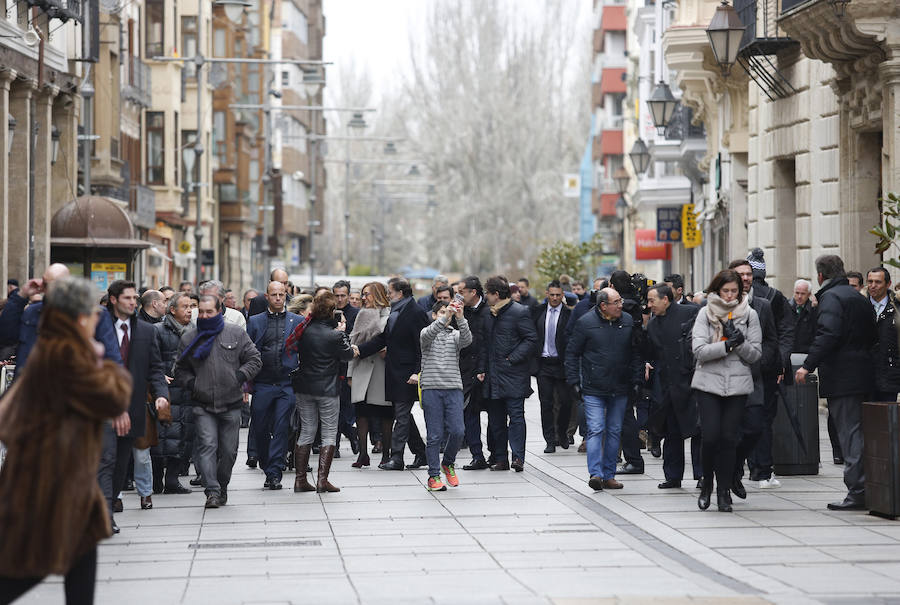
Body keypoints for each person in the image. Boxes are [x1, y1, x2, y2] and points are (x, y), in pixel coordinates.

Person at [0, 277, 130, 605]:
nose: (98, 318)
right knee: (27, 569)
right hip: (52, 483)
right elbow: (114, 396)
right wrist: (104, 365)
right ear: (80, 317)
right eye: (92, 312)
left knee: (79, 561)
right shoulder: (69, 354)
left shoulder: (51, 349)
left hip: (63, 480)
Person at [796, 255, 875, 511]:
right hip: (864, 373)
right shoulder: (859, 298)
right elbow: (872, 334)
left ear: (820, 276)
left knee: (849, 432)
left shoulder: (831, 298)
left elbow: (828, 334)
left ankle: (858, 491)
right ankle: (866, 487)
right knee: (861, 432)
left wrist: (808, 365)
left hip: (843, 376)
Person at [175, 295, 261, 508]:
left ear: (219, 311)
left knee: (229, 452)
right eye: (201, 312)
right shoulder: (189, 337)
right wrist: (194, 384)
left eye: (209, 312)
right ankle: (212, 491)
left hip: (231, 404)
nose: (204, 316)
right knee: (207, 446)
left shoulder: (235, 333)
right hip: (202, 404)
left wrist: (240, 376)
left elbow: (254, 359)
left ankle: (222, 485)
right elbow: (180, 370)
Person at [98, 280, 169, 525]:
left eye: (135, 298)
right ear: (114, 300)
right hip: (104, 407)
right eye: (127, 298)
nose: (132, 302)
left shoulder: (146, 331)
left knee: (120, 462)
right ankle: (105, 512)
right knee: (106, 459)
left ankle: (109, 503)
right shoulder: (98, 325)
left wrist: (161, 394)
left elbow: (155, 368)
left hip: (134, 407)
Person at [692, 269, 762, 513]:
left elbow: (755, 354)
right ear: (717, 290)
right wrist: (725, 344)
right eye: (726, 291)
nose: (731, 295)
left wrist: (740, 343)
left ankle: (724, 491)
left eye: (735, 291)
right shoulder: (705, 313)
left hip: (737, 384)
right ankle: (706, 484)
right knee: (710, 436)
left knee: (729, 439)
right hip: (708, 383)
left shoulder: (750, 314)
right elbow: (699, 350)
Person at [566, 288, 642, 491]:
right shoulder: (585, 323)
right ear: (603, 306)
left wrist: (636, 379)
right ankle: (596, 474)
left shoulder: (626, 321)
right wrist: (573, 381)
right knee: (596, 429)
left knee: (615, 431)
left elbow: (636, 353)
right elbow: (572, 353)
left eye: (621, 300)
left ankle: (609, 475)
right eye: (616, 302)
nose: (621, 305)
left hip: (620, 387)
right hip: (593, 388)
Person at [354, 279, 430, 471]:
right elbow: (383, 339)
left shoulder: (415, 312)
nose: (388, 295)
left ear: (401, 293)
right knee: (401, 413)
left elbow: (422, 345)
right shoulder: (397, 311)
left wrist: (417, 371)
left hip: (406, 373)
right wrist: (359, 350)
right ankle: (421, 453)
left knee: (402, 416)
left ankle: (397, 457)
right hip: (394, 372)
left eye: (390, 292)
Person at [0, 263, 121, 376]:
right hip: (32, 388)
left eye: (53, 285)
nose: (48, 290)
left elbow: (112, 361)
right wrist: (21, 295)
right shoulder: (33, 312)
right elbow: (7, 335)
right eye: (45, 284)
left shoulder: (93, 314)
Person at [729, 259, 784, 492]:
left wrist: (763, 360)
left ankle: (761, 469)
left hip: (756, 375)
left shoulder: (763, 305)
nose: (746, 278)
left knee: (756, 426)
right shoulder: (719, 305)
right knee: (731, 428)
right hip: (728, 378)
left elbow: (772, 338)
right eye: (740, 274)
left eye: (749, 274)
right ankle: (733, 473)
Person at [292, 291, 355, 493]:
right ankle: (322, 480)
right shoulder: (335, 335)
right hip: (327, 388)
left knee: (307, 431)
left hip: (304, 387)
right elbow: (347, 355)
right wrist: (343, 332)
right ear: (331, 312)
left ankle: (300, 480)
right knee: (328, 433)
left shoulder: (303, 330)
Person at [246, 281, 304, 490]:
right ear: (267, 296)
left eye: (281, 294)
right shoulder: (254, 321)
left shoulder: (297, 320)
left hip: (286, 383)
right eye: (274, 295)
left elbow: (303, 349)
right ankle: (265, 462)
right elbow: (247, 352)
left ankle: (275, 472)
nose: (278, 298)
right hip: (262, 383)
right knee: (260, 426)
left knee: (281, 427)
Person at [645, 284, 702, 489]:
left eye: (652, 300)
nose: (649, 305)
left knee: (698, 431)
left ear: (666, 299)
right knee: (671, 432)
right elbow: (652, 352)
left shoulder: (690, 313)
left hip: (692, 382)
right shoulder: (652, 325)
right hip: (668, 385)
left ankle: (702, 474)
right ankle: (673, 475)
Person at [482, 276, 537, 472]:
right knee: (496, 420)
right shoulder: (488, 314)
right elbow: (484, 345)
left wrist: (512, 358)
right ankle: (500, 458)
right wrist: (482, 369)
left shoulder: (519, 312)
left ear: (496, 295)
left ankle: (518, 457)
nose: (486, 297)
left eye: (487, 293)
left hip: (514, 375)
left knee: (516, 417)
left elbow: (531, 339)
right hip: (493, 377)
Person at [419, 299, 472, 491]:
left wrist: (461, 317)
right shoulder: (426, 334)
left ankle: (448, 463)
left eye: (446, 312)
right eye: (440, 312)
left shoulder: (455, 335)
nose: (445, 315)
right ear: (433, 315)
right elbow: (430, 333)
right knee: (434, 435)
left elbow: (467, 340)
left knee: (458, 431)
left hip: (453, 388)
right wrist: (446, 316)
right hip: (431, 388)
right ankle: (433, 476)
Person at [151, 293, 194, 495]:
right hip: (165, 392)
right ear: (172, 309)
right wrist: (160, 375)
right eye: (184, 306)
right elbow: (151, 360)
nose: (189, 310)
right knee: (162, 438)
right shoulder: (158, 330)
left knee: (183, 437)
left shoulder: (195, 331)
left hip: (188, 392)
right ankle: (157, 479)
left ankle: (172, 480)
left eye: (191, 306)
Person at [347, 282, 393, 468]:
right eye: (363, 294)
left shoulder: (390, 315)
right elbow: (353, 343)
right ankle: (363, 455)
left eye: (367, 294)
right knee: (361, 413)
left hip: (382, 371)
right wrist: (350, 373)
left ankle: (386, 454)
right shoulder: (362, 315)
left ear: (378, 295)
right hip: (362, 370)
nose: (364, 298)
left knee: (386, 415)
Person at [533, 280, 573, 454]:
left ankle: (562, 432)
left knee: (566, 402)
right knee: (546, 404)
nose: (555, 298)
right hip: (544, 365)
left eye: (558, 295)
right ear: (547, 294)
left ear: (562, 295)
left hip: (562, 364)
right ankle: (550, 439)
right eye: (552, 294)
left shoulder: (569, 314)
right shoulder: (537, 312)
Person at [458, 276, 493, 470]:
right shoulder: (461, 312)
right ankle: (477, 455)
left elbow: (488, 343)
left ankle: (496, 454)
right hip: (466, 370)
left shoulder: (489, 311)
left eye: (462, 291)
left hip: (487, 370)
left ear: (473, 292)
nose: (459, 295)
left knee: (494, 414)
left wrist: (483, 367)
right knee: (469, 414)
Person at [333, 280, 361, 458]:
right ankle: (337, 443)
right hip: (330, 365)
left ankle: (349, 434)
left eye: (343, 295)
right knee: (331, 407)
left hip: (349, 366)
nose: (340, 299)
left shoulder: (356, 314)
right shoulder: (328, 312)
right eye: (337, 295)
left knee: (345, 406)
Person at [867, 267, 900, 402]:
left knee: (888, 419)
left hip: (890, 375)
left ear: (888, 284)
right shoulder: (860, 305)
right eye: (870, 282)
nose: (873, 286)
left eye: (878, 282)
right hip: (864, 375)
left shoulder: (897, 308)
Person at [791, 279, 817, 354]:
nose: (799, 296)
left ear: (809, 294)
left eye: (803, 294)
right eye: (797, 293)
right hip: (790, 352)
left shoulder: (813, 310)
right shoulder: (786, 307)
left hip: (806, 353)